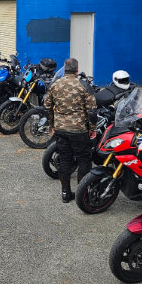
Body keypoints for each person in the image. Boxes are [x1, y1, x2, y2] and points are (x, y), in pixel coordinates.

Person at [44, 58, 97, 203]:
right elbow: (92, 111)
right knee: (84, 160)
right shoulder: (84, 85)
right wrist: (92, 129)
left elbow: (47, 107)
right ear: (77, 70)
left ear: (65, 69)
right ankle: (82, 194)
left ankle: (65, 193)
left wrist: (52, 125)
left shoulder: (55, 84)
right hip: (79, 130)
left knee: (64, 160)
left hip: (60, 129)